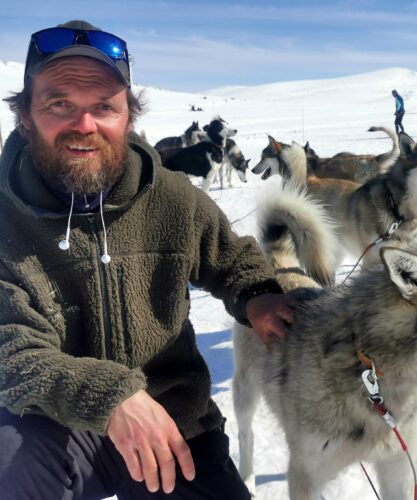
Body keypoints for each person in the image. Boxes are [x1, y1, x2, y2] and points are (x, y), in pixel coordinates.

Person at [0, 20, 295, 499]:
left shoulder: (172, 196)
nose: (84, 125)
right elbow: (11, 349)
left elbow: (231, 256)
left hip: (171, 419)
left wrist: (258, 296)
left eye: (104, 107)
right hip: (52, 427)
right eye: (60, 104)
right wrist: (111, 397)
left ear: (128, 118)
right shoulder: (4, 217)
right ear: (25, 115)